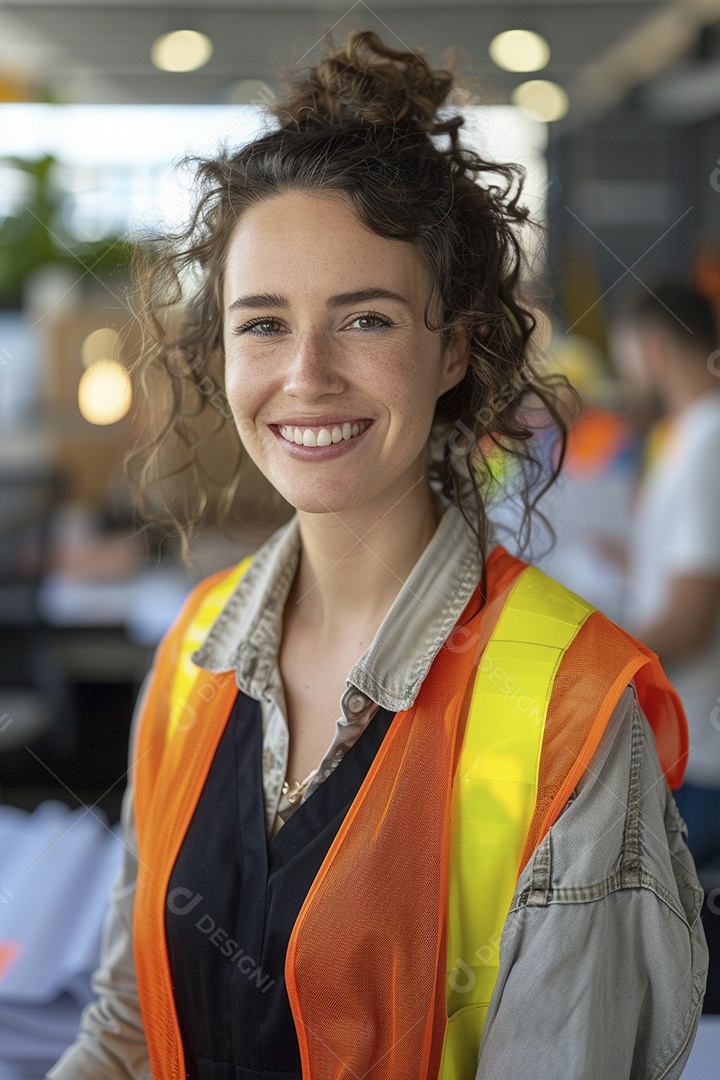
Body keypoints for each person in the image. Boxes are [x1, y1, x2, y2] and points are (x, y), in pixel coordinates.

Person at [48, 31, 706, 1080]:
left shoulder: (571, 715)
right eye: (264, 325)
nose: (307, 376)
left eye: (365, 319)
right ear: (222, 354)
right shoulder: (193, 654)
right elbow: (127, 1032)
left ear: (453, 350)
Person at [611, 282, 720, 868]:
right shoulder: (691, 433)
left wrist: (589, 668)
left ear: (652, 348)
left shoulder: (707, 440)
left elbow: (689, 620)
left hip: (701, 756)